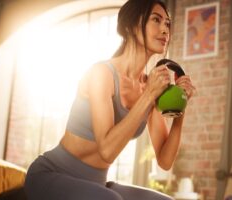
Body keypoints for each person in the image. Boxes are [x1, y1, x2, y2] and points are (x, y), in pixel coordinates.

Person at [24, 0, 196, 199]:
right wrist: (149, 95)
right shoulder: (102, 73)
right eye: (156, 20)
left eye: (167, 23)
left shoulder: (149, 87)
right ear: (130, 26)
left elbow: (165, 161)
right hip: (52, 174)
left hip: (96, 184)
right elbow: (107, 151)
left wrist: (180, 108)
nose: (165, 29)